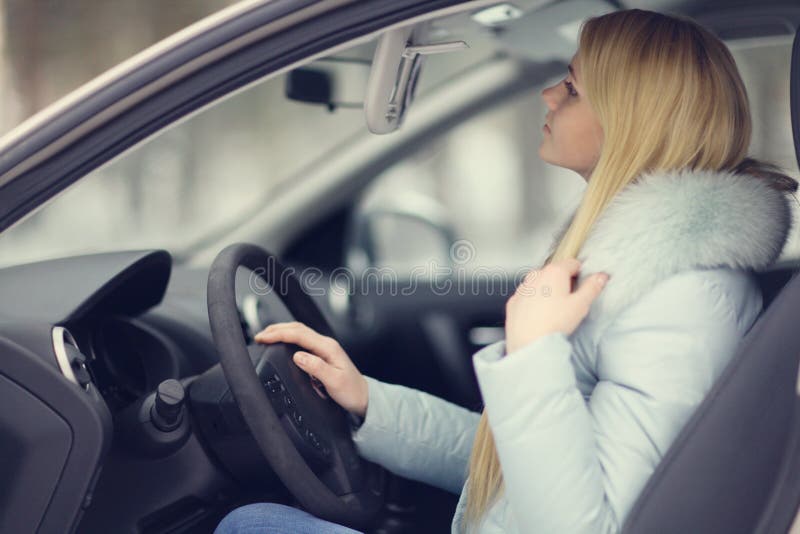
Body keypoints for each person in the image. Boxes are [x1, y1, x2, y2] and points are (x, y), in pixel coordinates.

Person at [215, 8, 798, 534]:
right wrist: (370, 402)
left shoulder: (679, 303)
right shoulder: (646, 276)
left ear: (630, 120)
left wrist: (532, 355)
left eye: (571, 88)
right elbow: (515, 465)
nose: (548, 95)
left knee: (250, 525)